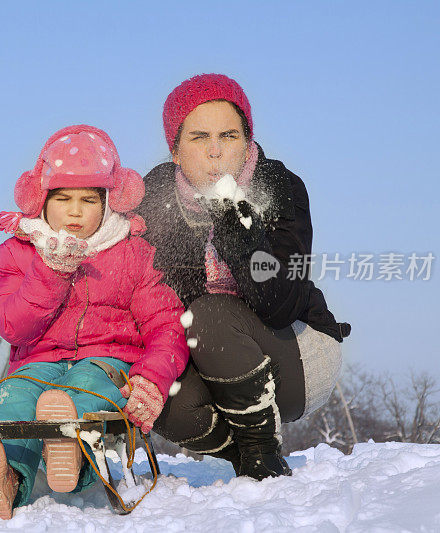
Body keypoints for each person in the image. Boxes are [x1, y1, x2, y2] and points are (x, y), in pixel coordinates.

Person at [135, 73, 351, 481]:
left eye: (229, 136)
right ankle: (252, 452)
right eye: (199, 137)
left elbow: (281, 303)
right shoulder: (155, 197)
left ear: (248, 141)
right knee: (160, 397)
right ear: (176, 151)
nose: (215, 151)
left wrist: (232, 220)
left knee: (211, 314)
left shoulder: (280, 186)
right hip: (208, 360)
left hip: (299, 353)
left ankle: (261, 454)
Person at [0, 124, 188, 522]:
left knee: (85, 389)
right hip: (36, 366)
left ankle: (75, 456)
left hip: (107, 362)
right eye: (63, 198)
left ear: (108, 201)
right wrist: (49, 272)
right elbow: (11, 325)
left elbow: (165, 324)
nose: (74, 210)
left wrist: (152, 377)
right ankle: (3, 476)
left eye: (88, 199)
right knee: (11, 400)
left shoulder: (133, 253)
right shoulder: (18, 252)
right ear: (41, 200)